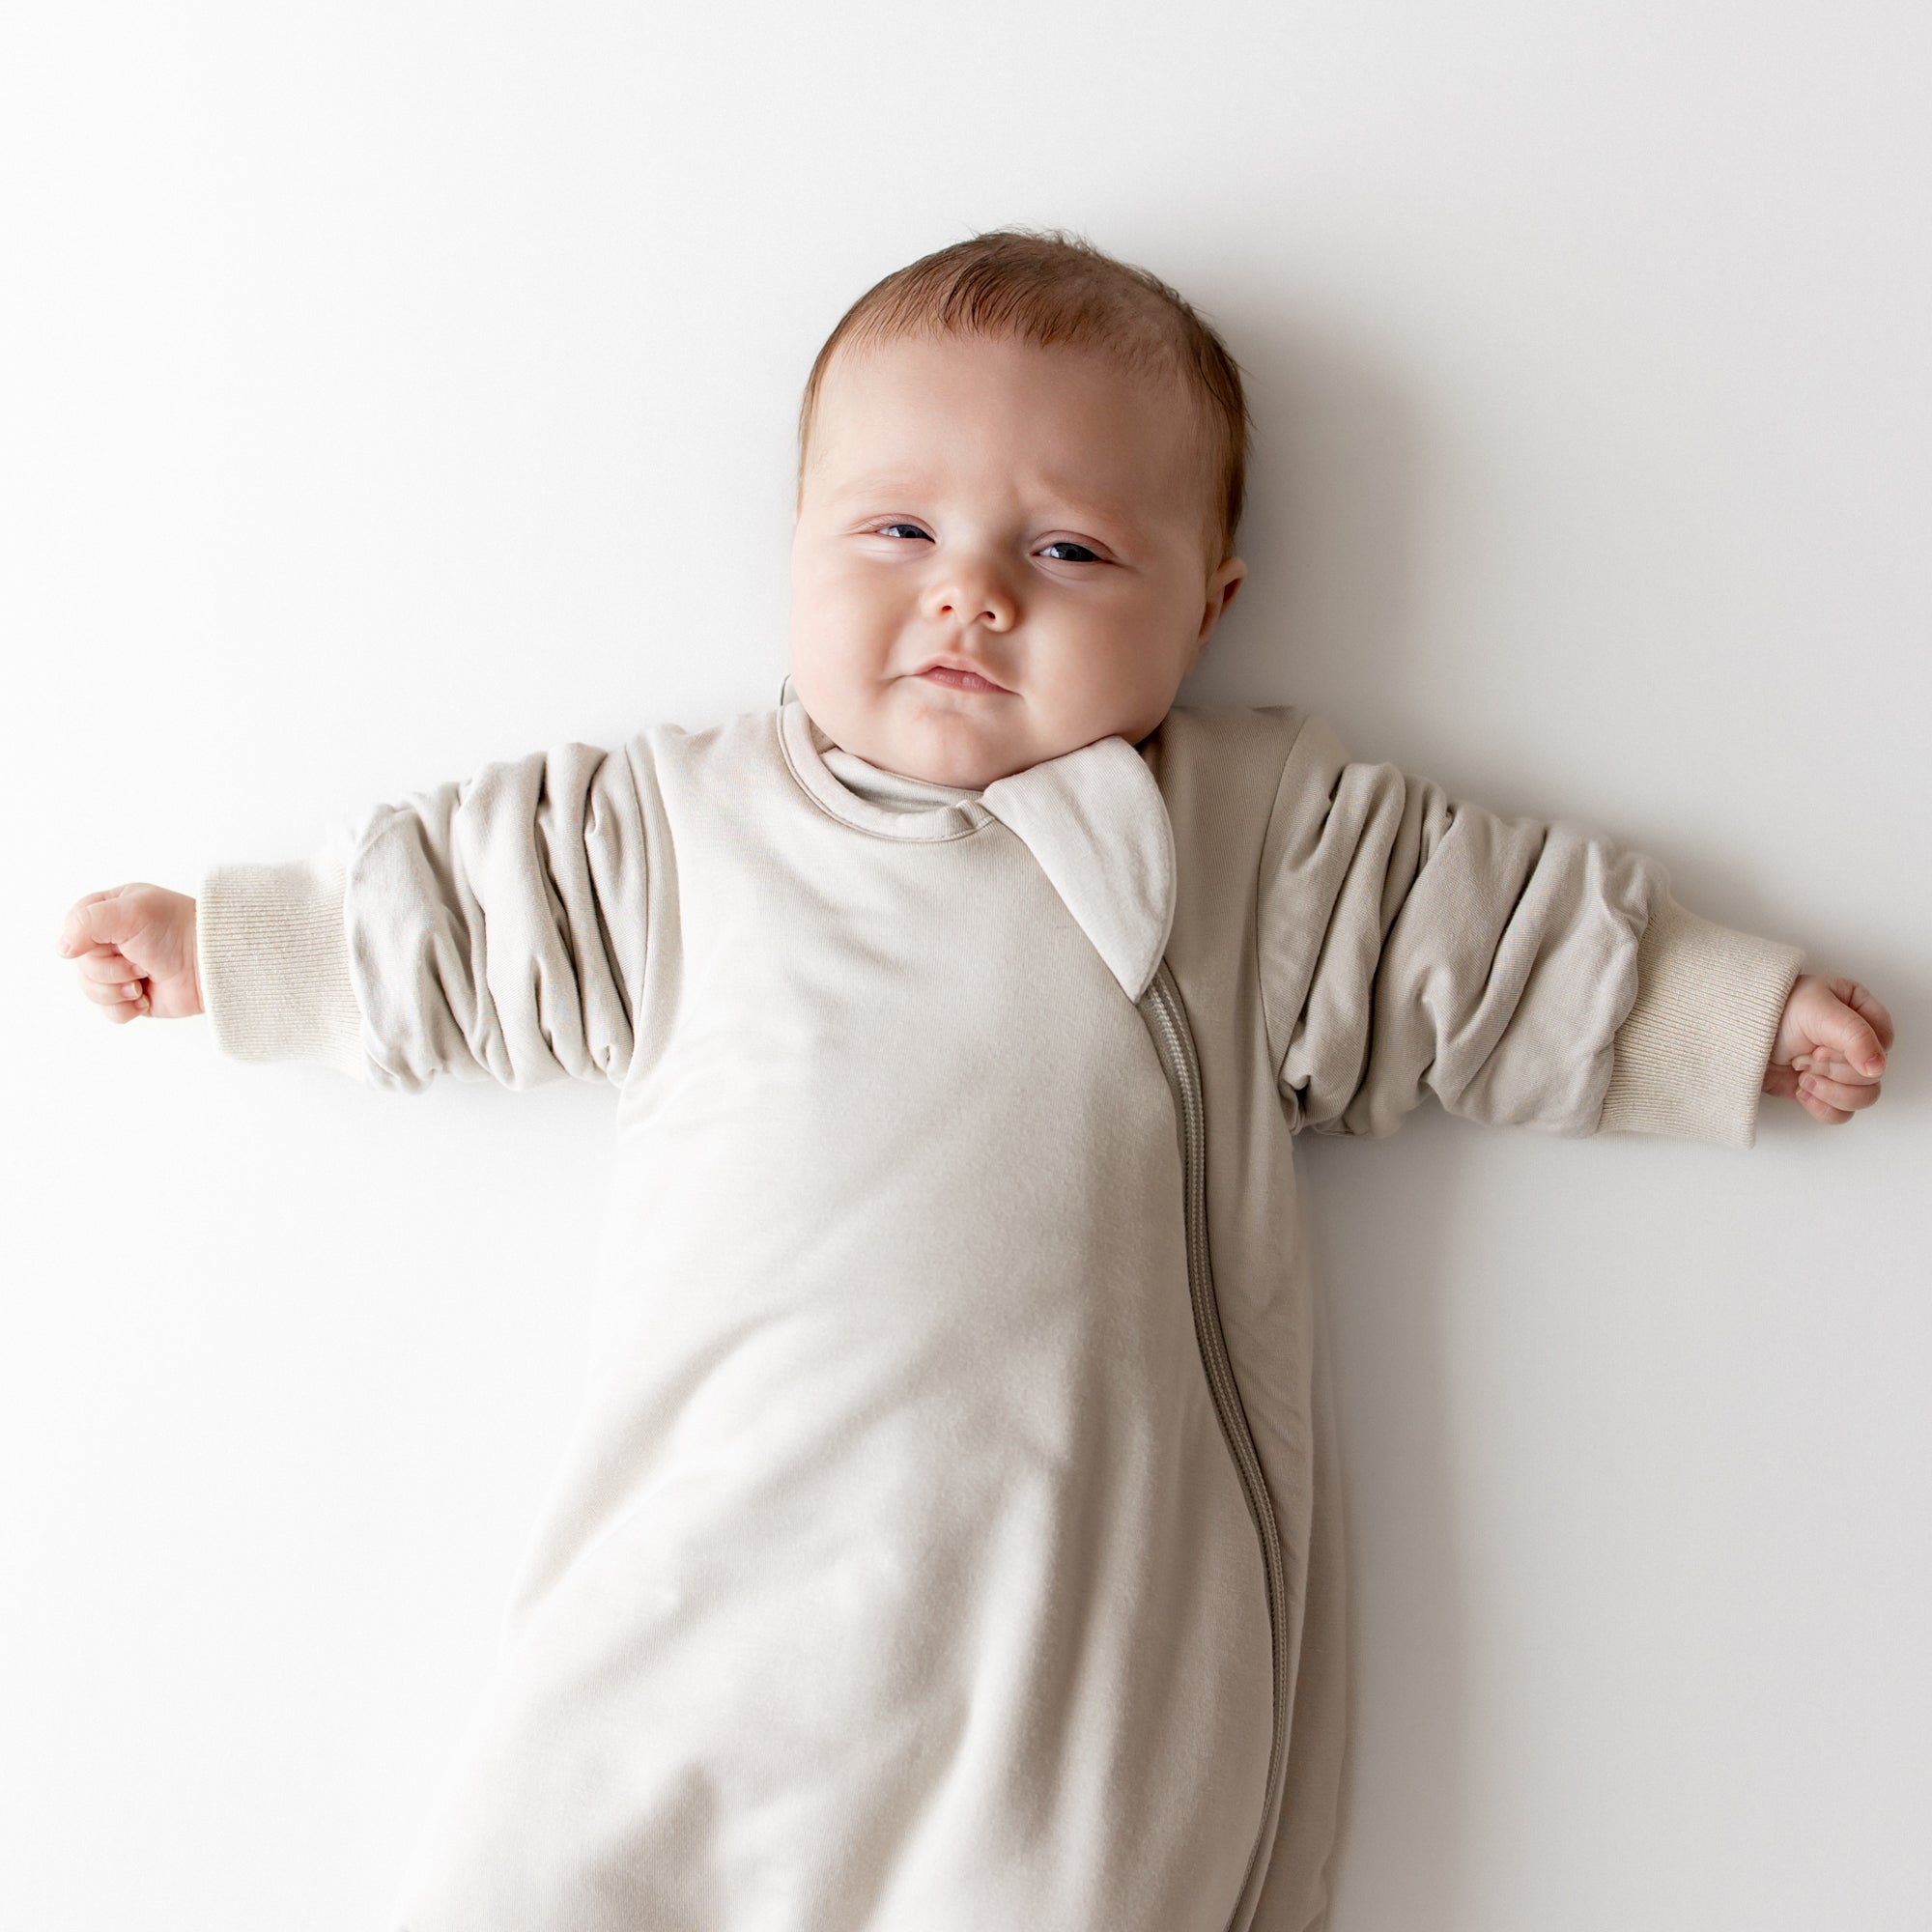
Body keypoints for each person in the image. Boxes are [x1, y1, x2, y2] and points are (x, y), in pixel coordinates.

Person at [58, 230, 1891, 1932]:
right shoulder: (685, 832)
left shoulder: (1246, 850)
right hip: (705, 1583)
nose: (972, 600)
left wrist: (1716, 1014)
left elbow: (1476, 941)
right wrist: (242, 951)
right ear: (793, 545)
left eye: (1069, 552)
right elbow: (469, 911)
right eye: (894, 535)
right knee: (561, 1855)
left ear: (1207, 607)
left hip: (1061, 1638)